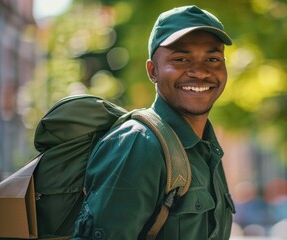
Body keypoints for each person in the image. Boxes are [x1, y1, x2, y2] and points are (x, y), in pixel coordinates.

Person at [73, 5, 235, 240]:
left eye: (212, 58)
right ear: (152, 71)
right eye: (181, 59)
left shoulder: (207, 149)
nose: (200, 72)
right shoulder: (139, 144)